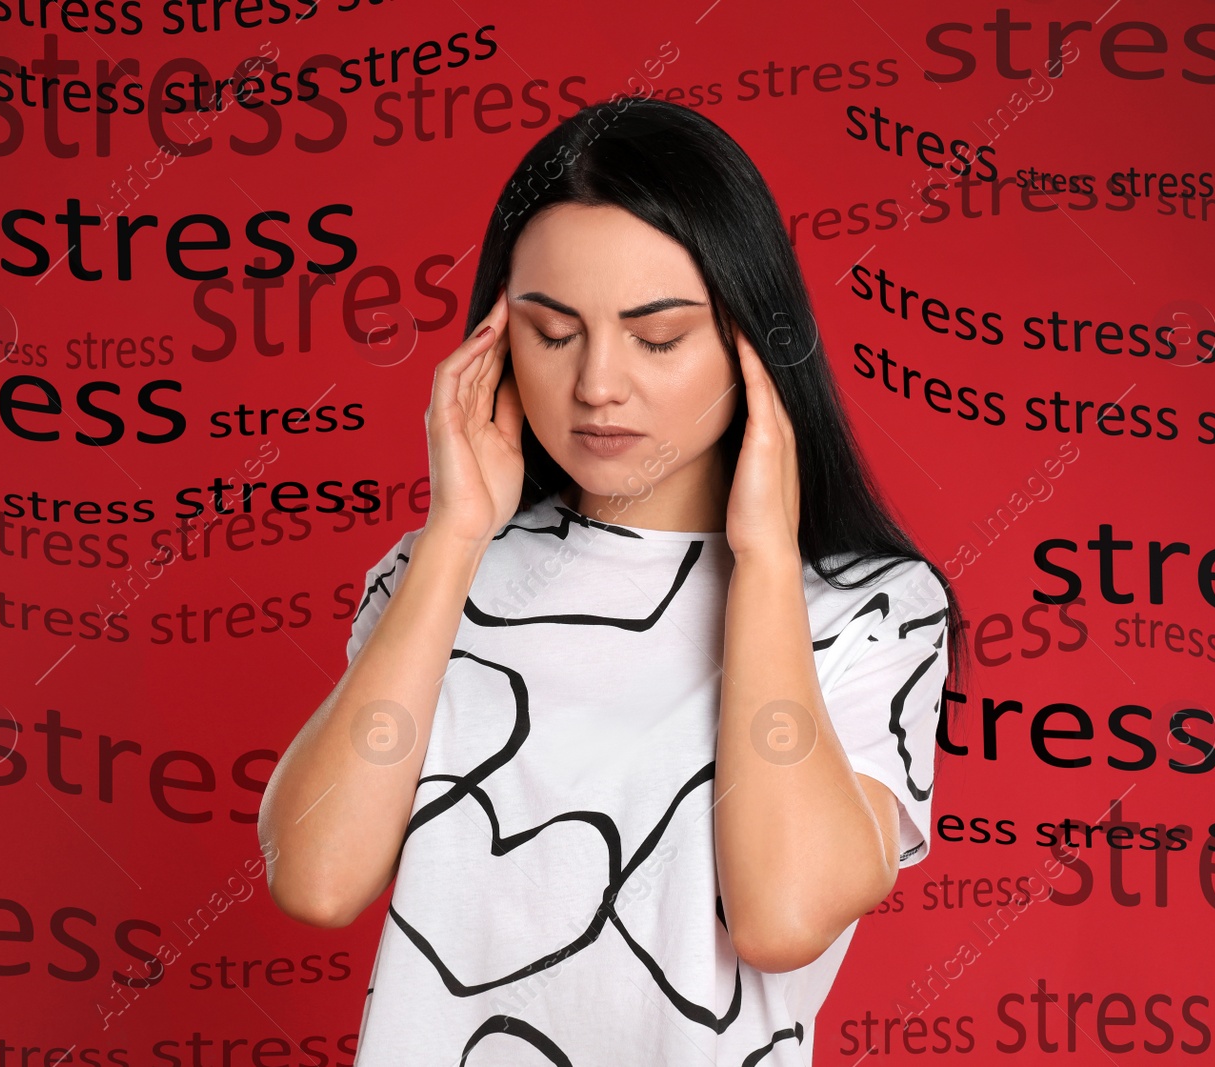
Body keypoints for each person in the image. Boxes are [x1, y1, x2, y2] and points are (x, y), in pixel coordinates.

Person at [258, 95, 966, 1065]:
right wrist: (458, 532)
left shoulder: (868, 611)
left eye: (657, 337)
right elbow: (317, 876)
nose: (597, 383)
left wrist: (761, 559)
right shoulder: (434, 576)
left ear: (751, 340)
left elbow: (782, 915)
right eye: (552, 332)